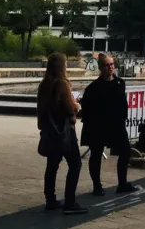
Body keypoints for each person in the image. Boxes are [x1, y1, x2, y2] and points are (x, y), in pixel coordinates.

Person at [37, 52, 87, 215]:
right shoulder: (61, 84)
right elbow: (69, 108)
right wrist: (76, 106)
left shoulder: (44, 85)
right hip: (64, 131)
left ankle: (50, 199)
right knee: (75, 164)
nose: (66, 66)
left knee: (52, 165)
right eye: (65, 63)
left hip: (50, 131)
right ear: (60, 66)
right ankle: (70, 202)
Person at [80, 54, 137, 196]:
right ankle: (97, 186)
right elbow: (87, 107)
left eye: (112, 64)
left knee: (125, 150)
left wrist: (123, 119)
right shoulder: (93, 88)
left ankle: (122, 183)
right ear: (101, 68)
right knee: (96, 154)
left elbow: (122, 103)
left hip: (117, 125)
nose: (110, 67)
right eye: (107, 65)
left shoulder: (120, 83)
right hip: (99, 126)